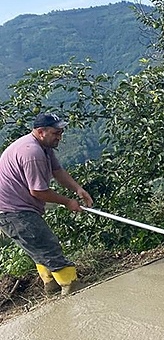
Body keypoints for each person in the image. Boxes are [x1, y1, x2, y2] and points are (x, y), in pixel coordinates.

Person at [0, 113, 93, 296]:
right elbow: (38, 191)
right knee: (46, 245)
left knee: (37, 245)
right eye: (56, 133)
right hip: (12, 211)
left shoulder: (43, 146)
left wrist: (78, 189)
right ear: (41, 132)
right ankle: (71, 285)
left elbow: (57, 170)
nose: (60, 137)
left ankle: (51, 285)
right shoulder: (32, 153)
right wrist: (68, 202)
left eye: (61, 132)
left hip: (16, 207)